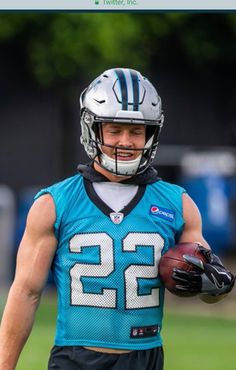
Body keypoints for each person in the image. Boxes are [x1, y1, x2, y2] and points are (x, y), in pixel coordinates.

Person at [0, 68, 234, 370]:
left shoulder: (178, 203)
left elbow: (206, 290)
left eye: (137, 131)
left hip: (145, 359)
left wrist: (215, 285)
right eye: (114, 129)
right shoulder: (54, 203)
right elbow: (26, 292)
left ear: (152, 133)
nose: (126, 141)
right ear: (92, 128)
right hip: (75, 360)